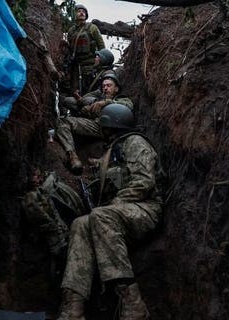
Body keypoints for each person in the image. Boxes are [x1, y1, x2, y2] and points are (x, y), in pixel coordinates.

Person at [56, 104, 164, 320]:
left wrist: (114, 203)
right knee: (79, 224)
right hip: (122, 213)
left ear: (112, 125)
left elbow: (144, 182)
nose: (101, 129)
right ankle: (73, 307)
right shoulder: (114, 150)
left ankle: (133, 303)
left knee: (99, 215)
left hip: (146, 208)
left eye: (104, 125)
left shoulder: (135, 142)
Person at [55, 73, 133, 175]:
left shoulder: (122, 99)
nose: (105, 88)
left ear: (116, 89)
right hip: (98, 127)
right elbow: (88, 114)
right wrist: (86, 109)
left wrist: (106, 103)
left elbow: (128, 105)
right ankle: (72, 156)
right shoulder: (98, 101)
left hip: (115, 133)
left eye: (109, 86)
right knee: (63, 122)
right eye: (104, 86)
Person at [67, 3, 105, 96]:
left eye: (83, 12)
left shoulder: (92, 28)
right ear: (74, 14)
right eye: (79, 11)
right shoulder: (71, 31)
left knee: (90, 90)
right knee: (75, 92)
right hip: (76, 66)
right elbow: (70, 49)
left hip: (90, 65)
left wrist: (100, 61)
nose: (81, 13)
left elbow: (101, 46)